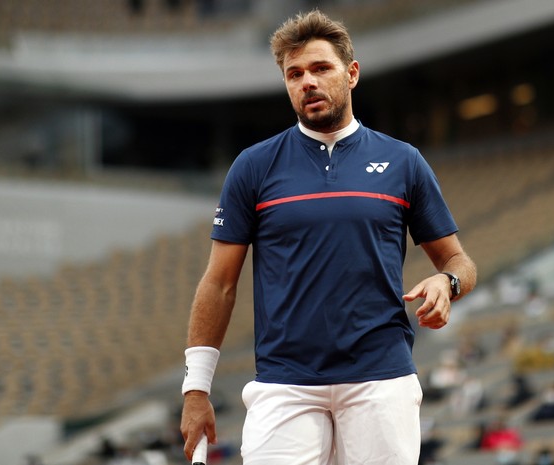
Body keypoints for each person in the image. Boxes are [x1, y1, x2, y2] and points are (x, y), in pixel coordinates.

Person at [178, 10, 477, 465]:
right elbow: (218, 284)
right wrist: (195, 389)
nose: (307, 82)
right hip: (284, 383)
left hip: (381, 379)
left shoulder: (404, 161)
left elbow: (460, 263)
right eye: (294, 74)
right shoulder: (253, 166)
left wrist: (446, 283)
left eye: (321, 68)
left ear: (351, 74)